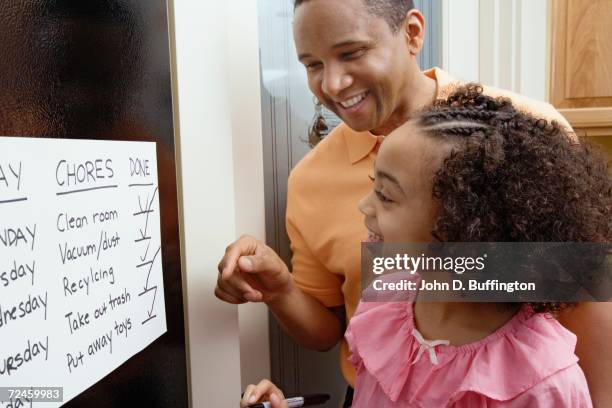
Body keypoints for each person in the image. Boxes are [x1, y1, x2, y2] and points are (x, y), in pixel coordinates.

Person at [217, 0, 612, 405]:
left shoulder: (522, 137)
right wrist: (281, 289)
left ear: (411, 33)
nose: (332, 83)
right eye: (312, 64)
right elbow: (329, 329)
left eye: (351, 52)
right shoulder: (309, 179)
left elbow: (585, 300)